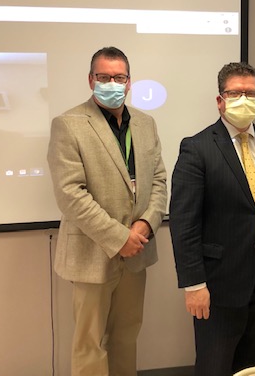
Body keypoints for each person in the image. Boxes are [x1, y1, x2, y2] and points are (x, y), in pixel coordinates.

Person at [169, 62, 255, 376]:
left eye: (251, 94)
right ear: (220, 100)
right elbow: (184, 223)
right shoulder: (197, 148)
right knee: (215, 367)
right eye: (235, 93)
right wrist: (193, 284)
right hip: (218, 286)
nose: (244, 100)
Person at [47, 46, 167, 376]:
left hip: (137, 251)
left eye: (119, 77)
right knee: (90, 343)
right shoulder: (69, 124)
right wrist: (118, 237)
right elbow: (70, 195)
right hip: (92, 253)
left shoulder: (145, 123)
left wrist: (145, 224)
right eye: (103, 77)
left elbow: (158, 180)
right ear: (90, 80)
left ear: (129, 83)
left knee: (127, 337)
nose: (111, 83)